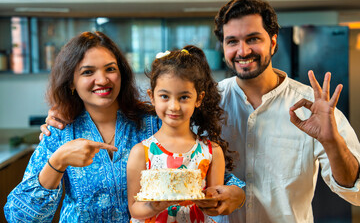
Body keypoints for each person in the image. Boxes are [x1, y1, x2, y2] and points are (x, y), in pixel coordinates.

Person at [6, 32, 245, 222]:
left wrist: (237, 192)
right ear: (71, 82)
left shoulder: (155, 121)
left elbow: (205, 174)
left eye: (110, 69)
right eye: (88, 72)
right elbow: (19, 216)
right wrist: (57, 162)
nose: (102, 80)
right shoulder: (60, 132)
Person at [205, 0, 360, 222]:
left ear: (273, 42)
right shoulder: (208, 104)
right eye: (232, 42)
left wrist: (331, 141)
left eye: (253, 38)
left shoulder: (311, 106)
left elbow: (354, 190)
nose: (243, 50)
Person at [127, 46, 242, 222]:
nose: (174, 106)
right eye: (165, 96)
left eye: (183, 97)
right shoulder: (140, 152)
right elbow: (135, 209)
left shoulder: (212, 152)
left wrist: (211, 201)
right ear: (152, 97)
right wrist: (153, 206)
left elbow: (214, 207)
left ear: (199, 98)